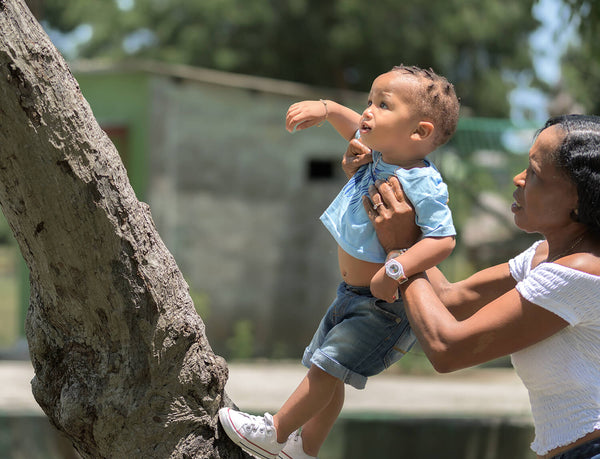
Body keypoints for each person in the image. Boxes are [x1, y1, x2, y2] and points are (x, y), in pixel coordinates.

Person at [219, 65, 460, 459]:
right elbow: (355, 130)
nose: (367, 111)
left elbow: (443, 239)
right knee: (328, 374)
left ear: (420, 132)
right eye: (369, 100)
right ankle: (305, 449)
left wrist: (395, 269)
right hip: (349, 294)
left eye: (383, 105)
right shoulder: (383, 155)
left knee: (326, 370)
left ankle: (275, 432)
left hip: (383, 306)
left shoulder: (421, 181)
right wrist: (328, 109)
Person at [365, 114, 600, 459]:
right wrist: (397, 213)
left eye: (535, 173)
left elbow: (448, 348)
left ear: (579, 198)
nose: (519, 179)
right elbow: (450, 299)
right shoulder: (548, 255)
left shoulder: (580, 270)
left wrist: (400, 253)